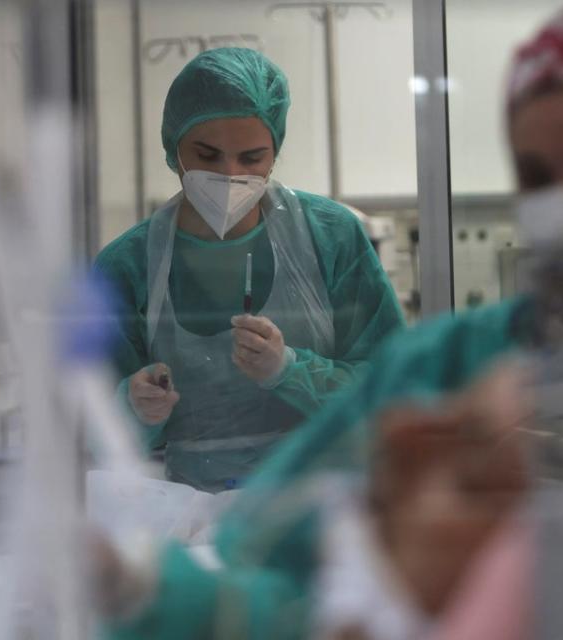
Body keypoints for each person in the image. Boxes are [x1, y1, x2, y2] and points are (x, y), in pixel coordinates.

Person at [97, 4, 563, 637]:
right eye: (536, 174)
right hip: (196, 509)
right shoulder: (454, 359)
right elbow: (277, 560)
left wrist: (292, 371)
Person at [94, 47, 404, 493]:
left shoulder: (331, 236)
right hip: (196, 513)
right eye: (208, 154)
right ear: (172, 148)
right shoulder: (127, 265)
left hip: (323, 504)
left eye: (251, 158)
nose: (229, 174)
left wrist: (292, 370)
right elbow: (96, 425)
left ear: (274, 154)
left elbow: (389, 389)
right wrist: (135, 406)